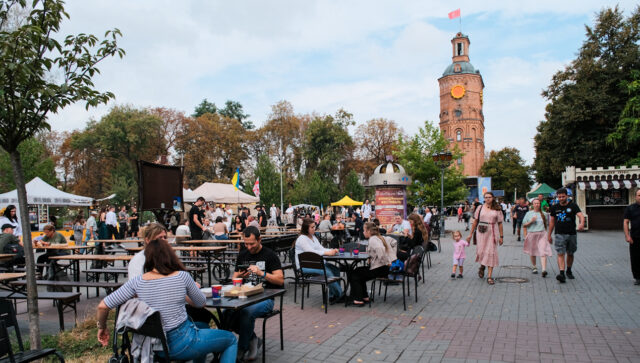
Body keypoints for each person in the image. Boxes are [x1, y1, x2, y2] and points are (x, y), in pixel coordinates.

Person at [97, 237, 237, 363]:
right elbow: (200, 303)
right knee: (230, 340)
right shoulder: (182, 277)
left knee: (203, 326)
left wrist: (102, 327)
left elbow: (103, 306)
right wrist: (185, 292)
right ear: (170, 255)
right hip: (182, 342)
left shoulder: (137, 282)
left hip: (151, 345)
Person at [225, 226, 284, 360]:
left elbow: (280, 280)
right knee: (227, 313)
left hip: (266, 297)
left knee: (247, 312)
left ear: (259, 239)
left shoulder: (270, 255)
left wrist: (261, 273)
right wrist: (240, 275)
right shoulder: (243, 254)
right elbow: (234, 279)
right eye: (246, 243)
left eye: (252, 243)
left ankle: (241, 349)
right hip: (245, 296)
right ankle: (252, 339)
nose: (249, 247)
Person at [294, 218, 343, 302]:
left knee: (335, 270)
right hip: (305, 266)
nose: (314, 229)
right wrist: (327, 253)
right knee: (328, 272)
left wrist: (332, 250)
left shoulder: (313, 237)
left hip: (316, 264)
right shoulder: (302, 239)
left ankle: (332, 295)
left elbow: (321, 248)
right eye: (312, 227)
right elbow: (311, 252)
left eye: (314, 227)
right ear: (306, 228)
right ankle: (340, 295)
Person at [349, 222, 396, 306]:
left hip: (379, 268)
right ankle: (364, 296)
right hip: (383, 269)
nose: (363, 232)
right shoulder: (380, 237)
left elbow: (380, 248)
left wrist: (386, 261)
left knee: (354, 274)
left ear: (369, 231)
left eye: (364, 230)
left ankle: (358, 299)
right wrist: (391, 258)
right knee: (358, 271)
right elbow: (394, 242)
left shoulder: (373, 239)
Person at [548, 188, 585, 283]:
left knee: (570, 253)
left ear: (567, 196)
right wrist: (549, 234)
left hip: (571, 233)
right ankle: (561, 273)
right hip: (559, 233)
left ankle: (569, 269)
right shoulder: (554, 207)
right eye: (559, 197)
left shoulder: (573, 206)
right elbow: (552, 222)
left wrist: (581, 223)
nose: (561, 198)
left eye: (563, 196)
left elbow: (580, 215)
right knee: (560, 253)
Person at [466, 192, 504, 285]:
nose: (487, 199)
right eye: (486, 197)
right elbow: (475, 221)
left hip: (492, 232)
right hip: (481, 232)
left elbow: (500, 223)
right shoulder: (480, 208)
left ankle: (490, 276)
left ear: (493, 198)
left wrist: (501, 236)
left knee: (491, 252)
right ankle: (482, 267)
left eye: (489, 197)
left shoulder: (497, 209)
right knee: (482, 252)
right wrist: (470, 234)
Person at [522, 199, 551, 277]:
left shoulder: (544, 214)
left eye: (538, 203)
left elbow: (547, 224)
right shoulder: (529, 214)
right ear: (532, 204)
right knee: (532, 251)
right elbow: (524, 225)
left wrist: (549, 235)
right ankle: (534, 266)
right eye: (535, 203)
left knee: (543, 251)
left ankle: (544, 269)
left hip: (542, 234)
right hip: (532, 234)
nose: (537, 205)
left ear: (540, 204)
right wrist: (531, 221)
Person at [623, 189, 640, 285]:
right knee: (635, 258)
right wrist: (627, 235)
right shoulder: (630, 208)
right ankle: (637, 277)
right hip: (635, 237)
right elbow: (626, 222)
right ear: (635, 196)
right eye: (639, 195)